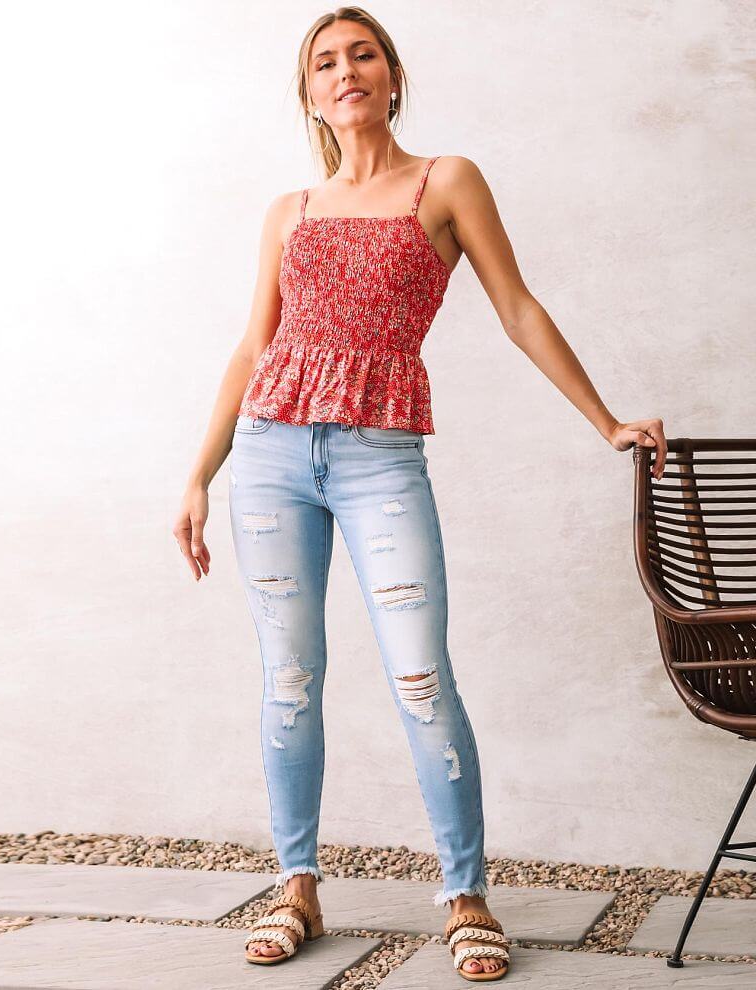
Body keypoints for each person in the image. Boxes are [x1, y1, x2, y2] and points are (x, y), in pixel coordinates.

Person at [173, 7, 667, 983]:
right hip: (270, 455)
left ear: (392, 77)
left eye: (362, 54)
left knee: (419, 676)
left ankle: (464, 892)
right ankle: (296, 885)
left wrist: (604, 421)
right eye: (325, 62)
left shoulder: (445, 181)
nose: (344, 71)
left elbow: (516, 307)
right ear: (310, 94)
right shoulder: (289, 210)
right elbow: (253, 346)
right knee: (288, 679)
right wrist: (199, 473)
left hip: (377, 457)